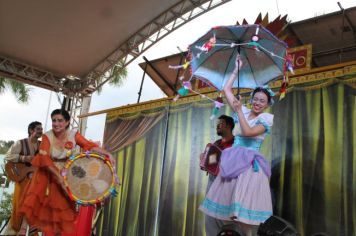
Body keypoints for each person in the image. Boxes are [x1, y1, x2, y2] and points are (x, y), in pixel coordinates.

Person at [199, 55, 274, 236]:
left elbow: (248, 132)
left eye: (262, 101)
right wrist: (236, 69)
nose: (257, 102)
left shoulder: (266, 119)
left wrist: (239, 110)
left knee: (245, 218)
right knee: (227, 214)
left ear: (267, 104)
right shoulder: (245, 110)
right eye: (255, 99)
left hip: (249, 166)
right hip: (232, 162)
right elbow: (226, 89)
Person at [19, 109, 114, 236]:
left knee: (65, 213)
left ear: (67, 122)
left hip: (67, 175)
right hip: (48, 175)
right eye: (54, 120)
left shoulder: (73, 135)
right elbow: (45, 158)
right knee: (48, 213)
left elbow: (88, 145)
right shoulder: (47, 136)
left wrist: (106, 153)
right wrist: (58, 177)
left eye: (60, 120)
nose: (56, 124)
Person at [4, 121, 43, 236]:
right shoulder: (20, 143)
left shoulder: (42, 145)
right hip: (22, 180)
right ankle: (12, 232)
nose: (41, 131)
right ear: (31, 130)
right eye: (38, 129)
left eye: (41, 129)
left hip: (35, 181)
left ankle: (31, 232)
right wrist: (23, 158)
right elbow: (7, 156)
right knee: (18, 207)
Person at [199, 115, 235, 236]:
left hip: (229, 183)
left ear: (229, 126)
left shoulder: (237, 143)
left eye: (221, 123)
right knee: (210, 216)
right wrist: (204, 160)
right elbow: (212, 164)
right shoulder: (216, 144)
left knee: (226, 218)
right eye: (217, 123)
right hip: (213, 181)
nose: (218, 125)